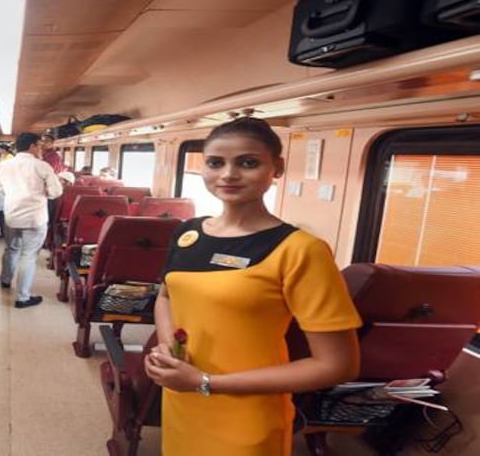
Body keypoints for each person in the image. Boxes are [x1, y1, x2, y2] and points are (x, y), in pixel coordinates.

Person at [144, 117, 360, 456]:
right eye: (216, 163)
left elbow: (338, 365)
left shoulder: (301, 250)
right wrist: (168, 348)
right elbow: (166, 296)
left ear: (277, 168)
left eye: (248, 162)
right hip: (182, 398)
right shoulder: (188, 233)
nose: (228, 174)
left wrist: (205, 383)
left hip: (245, 413)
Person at [0, 132, 62, 308]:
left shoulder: (4, 166)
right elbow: (56, 192)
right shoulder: (42, 166)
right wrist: (43, 192)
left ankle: (5, 279)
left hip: (11, 215)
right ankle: (22, 297)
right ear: (32, 146)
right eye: (39, 145)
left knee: (12, 249)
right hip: (34, 218)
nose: (40, 148)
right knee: (29, 256)